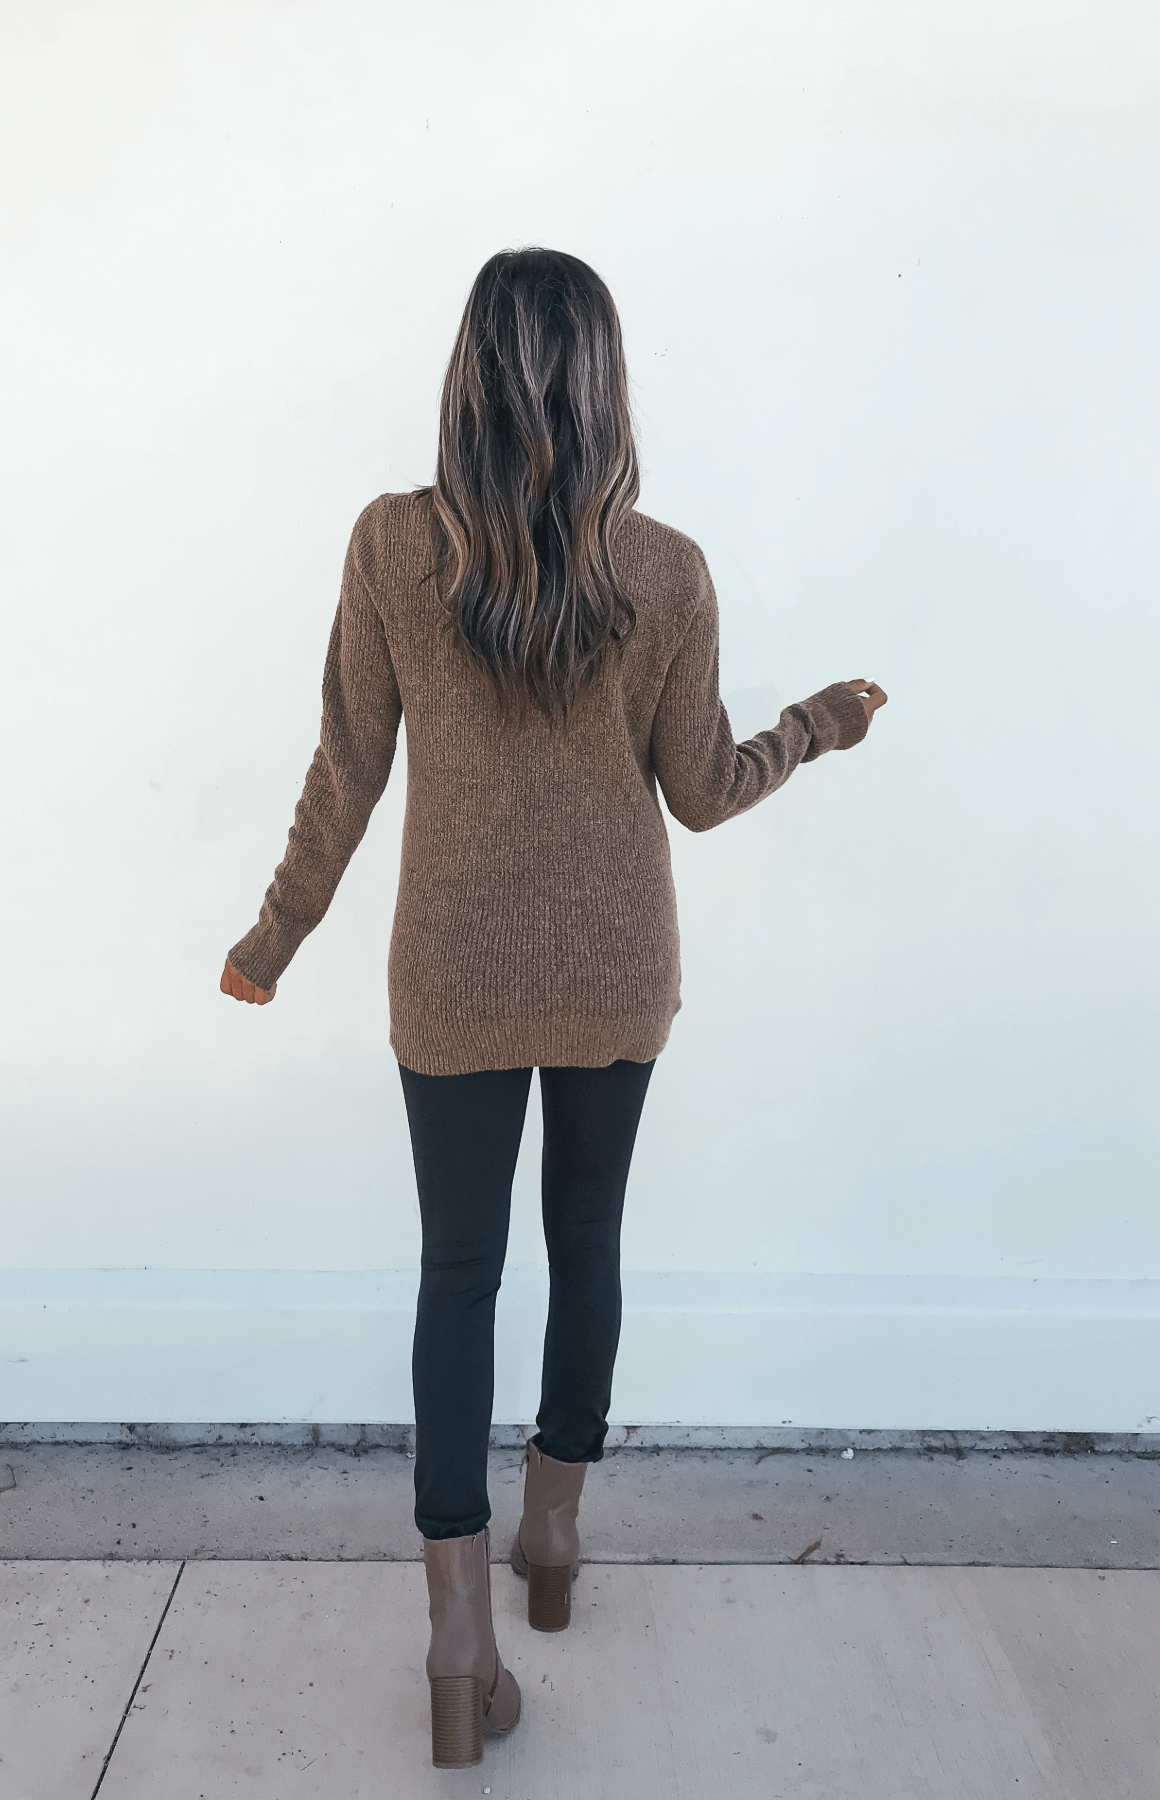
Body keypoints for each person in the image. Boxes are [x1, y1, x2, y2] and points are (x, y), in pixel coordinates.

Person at [221, 246, 886, 1769]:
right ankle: (557, 1545)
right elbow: (706, 794)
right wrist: (822, 726)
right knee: (585, 1246)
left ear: (467, 375)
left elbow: (348, 767)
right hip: (615, 971)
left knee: (459, 1274)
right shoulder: (665, 569)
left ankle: (460, 1634)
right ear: (605, 384)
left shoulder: (393, 548)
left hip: (445, 971)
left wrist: (274, 936)